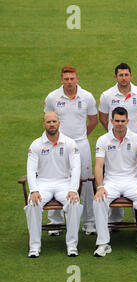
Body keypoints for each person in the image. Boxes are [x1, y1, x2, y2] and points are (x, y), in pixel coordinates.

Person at [44, 65, 97, 236]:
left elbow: (93, 120)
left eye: (72, 79)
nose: (69, 82)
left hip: (81, 145)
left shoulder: (87, 97)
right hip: (58, 146)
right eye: (66, 79)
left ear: (77, 78)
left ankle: (89, 222)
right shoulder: (52, 97)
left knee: (87, 182)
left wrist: (79, 137)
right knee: (55, 178)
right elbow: (49, 120)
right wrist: (63, 140)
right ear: (61, 80)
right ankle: (55, 222)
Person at [92, 107, 137, 257]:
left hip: (132, 181)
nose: (119, 124)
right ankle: (103, 243)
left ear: (127, 121)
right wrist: (100, 187)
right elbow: (99, 165)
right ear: (111, 121)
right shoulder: (103, 140)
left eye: (122, 121)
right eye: (116, 121)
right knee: (99, 200)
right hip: (111, 182)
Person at [98, 63, 137, 225]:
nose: (123, 78)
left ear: (131, 76)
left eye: (126, 74)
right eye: (120, 75)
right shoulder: (107, 95)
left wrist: (133, 134)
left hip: (134, 142)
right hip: (113, 142)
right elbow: (103, 117)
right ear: (115, 77)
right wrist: (115, 131)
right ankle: (114, 221)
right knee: (112, 175)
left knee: (134, 177)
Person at [25, 112, 82, 257]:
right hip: (43, 183)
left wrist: (73, 189)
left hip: (64, 182)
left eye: (54, 121)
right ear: (44, 124)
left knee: (74, 203)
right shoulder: (36, 144)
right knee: (33, 204)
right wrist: (34, 190)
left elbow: (76, 167)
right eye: (48, 122)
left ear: (59, 123)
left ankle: (72, 246)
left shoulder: (70, 143)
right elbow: (31, 170)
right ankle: (34, 247)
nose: (51, 124)